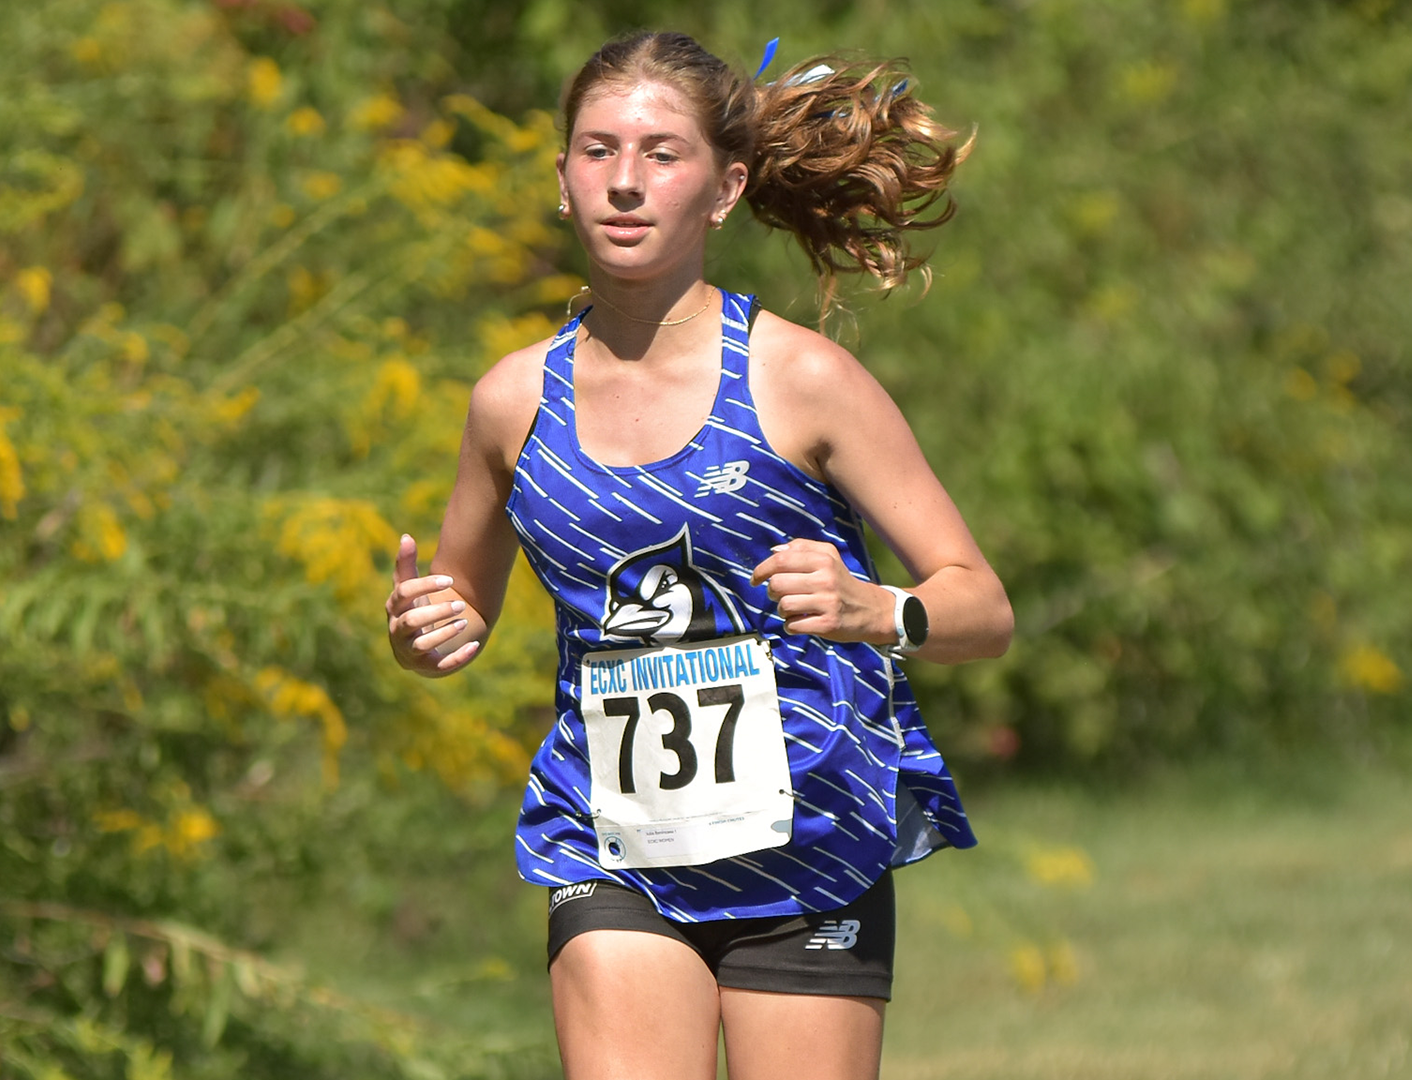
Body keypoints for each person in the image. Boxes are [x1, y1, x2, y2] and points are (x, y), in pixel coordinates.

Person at [388, 30, 1012, 1080]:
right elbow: (458, 611)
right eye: (598, 150)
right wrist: (425, 632)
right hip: (613, 843)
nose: (625, 182)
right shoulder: (511, 403)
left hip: (812, 844)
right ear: (561, 177)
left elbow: (981, 606)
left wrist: (876, 609)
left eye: (661, 153)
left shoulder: (800, 379)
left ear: (725, 189)